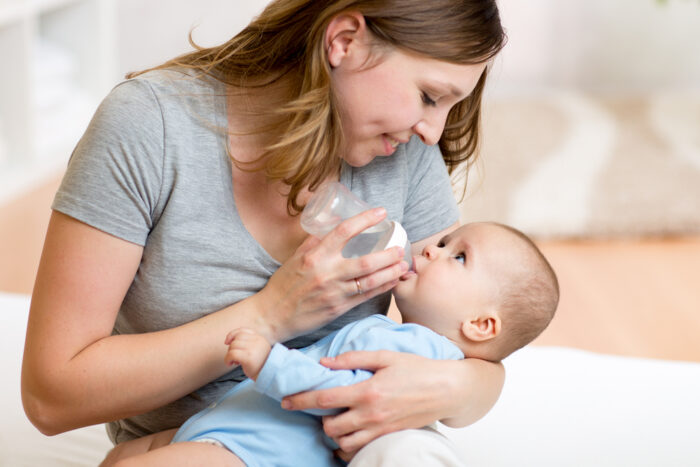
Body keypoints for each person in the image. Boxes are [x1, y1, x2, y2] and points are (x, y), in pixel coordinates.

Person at [21, 0, 508, 464]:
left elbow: (475, 349)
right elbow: (50, 397)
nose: (433, 131)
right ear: (343, 40)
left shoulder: (404, 156)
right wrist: (270, 314)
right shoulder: (151, 127)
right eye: (429, 96)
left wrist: (450, 389)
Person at [101, 221, 559, 466]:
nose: (430, 250)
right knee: (121, 455)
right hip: (230, 430)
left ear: (481, 325)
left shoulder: (421, 355)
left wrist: (268, 360)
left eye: (457, 256)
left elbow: (334, 392)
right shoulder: (397, 335)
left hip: (254, 456)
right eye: (443, 241)